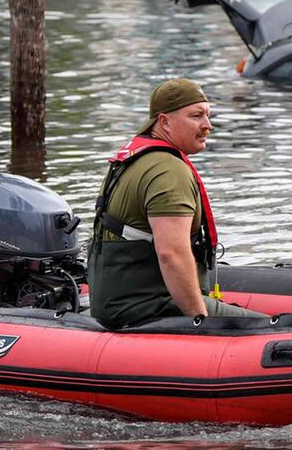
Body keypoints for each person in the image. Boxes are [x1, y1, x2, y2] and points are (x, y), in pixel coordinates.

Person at [88, 78, 265, 329]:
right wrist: (200, 321)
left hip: (116, 304)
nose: (208, 126)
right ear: (164, 122)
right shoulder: (168, 171)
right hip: (149, 306)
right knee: (271, 329)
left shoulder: (134, 160)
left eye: (207, 115)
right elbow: (171, 254)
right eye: (196, 116)